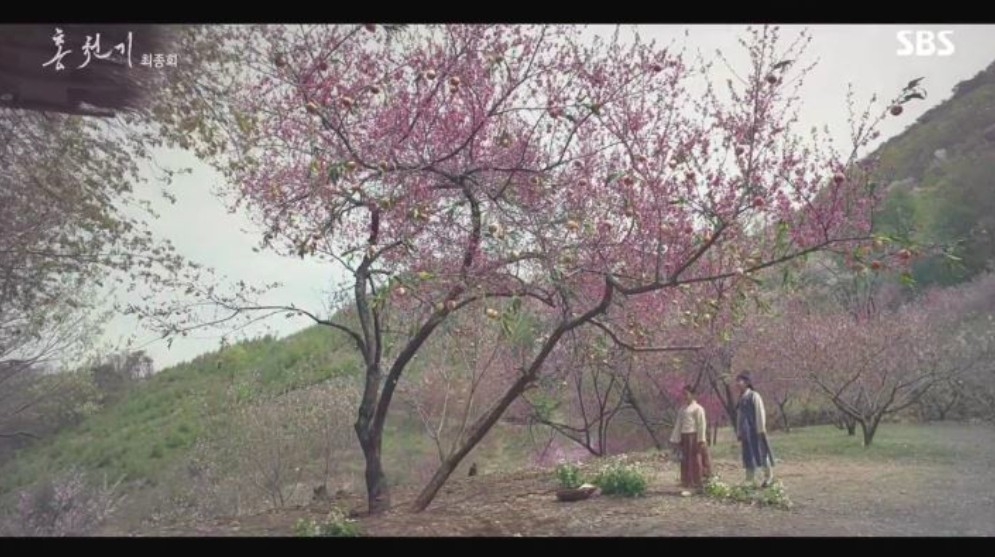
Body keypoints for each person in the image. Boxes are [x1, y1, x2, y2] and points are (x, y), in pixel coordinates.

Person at [669, 384, 712, 490]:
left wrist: (701, 439)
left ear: (692, 395)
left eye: (686, 394)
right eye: (683, 394)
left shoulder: (698, 409)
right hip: (684, 437)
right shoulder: (682, 409)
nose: (684, 396)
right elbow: (678, 424)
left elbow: (701, 424)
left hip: (694, 436)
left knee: (696, 459)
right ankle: (687, 481)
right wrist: (675, 438)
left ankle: (698, 481)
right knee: (685, 460)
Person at [735, 372, 775, 487]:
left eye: (740, 381)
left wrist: (761, 429)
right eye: (737, 381)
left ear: (747, 382)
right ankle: (749, 479)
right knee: (747, 454)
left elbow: (760, 412)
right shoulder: (741, 398)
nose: (738, 383)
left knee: (761, 453)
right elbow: (739, 416)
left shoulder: (754, 395)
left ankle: (768, 476)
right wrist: (739, 431)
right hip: (745, 431)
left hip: (755, 429)